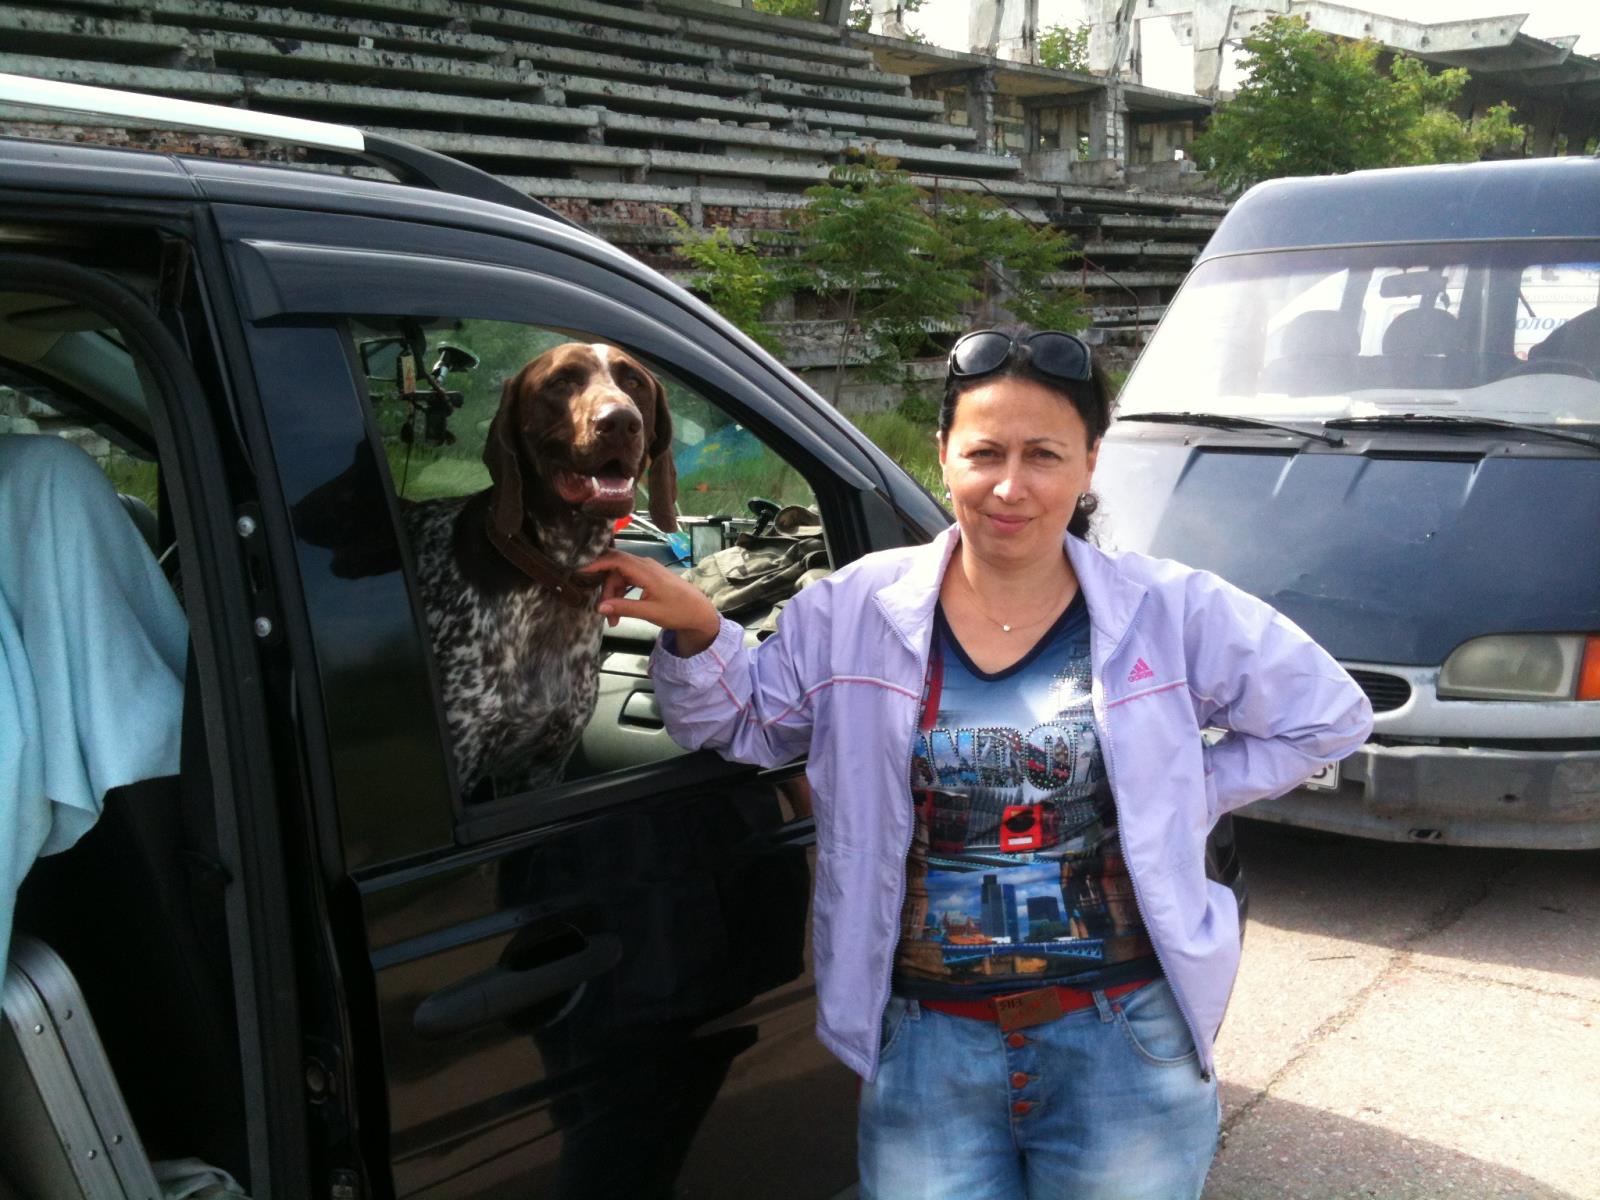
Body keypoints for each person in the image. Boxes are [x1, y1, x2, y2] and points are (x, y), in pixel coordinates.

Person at [589, 327, 1373, 1200]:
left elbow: (1325, 716)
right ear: (943, 455)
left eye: (1044, 455)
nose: (1010, 486)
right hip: (927, 1052)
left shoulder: (1171, 610)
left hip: (1122, 1045)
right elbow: (742, 722)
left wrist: (1181, 793)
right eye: (985, 453)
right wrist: (699, 629)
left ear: (1090, 462)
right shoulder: (853, 611)